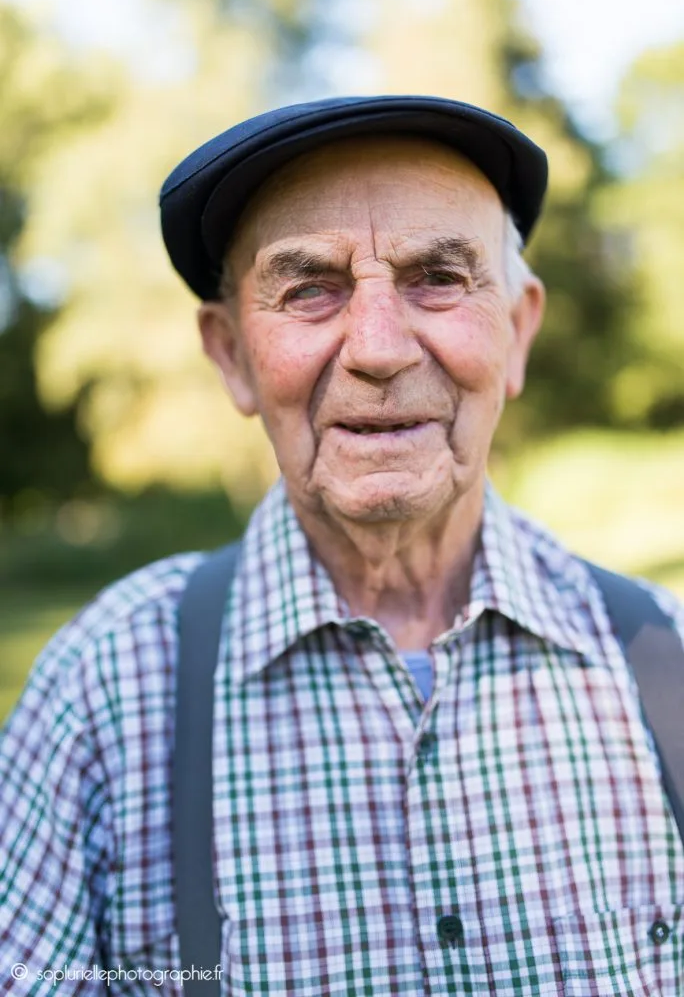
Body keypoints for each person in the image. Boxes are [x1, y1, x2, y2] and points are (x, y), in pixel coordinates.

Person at [1, 95, 683, 996]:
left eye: (438, 276)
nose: (378, 348)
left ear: (517, 330)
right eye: (310, 287)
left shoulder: (665, 661)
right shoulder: (100, 693)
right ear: (234, 355)